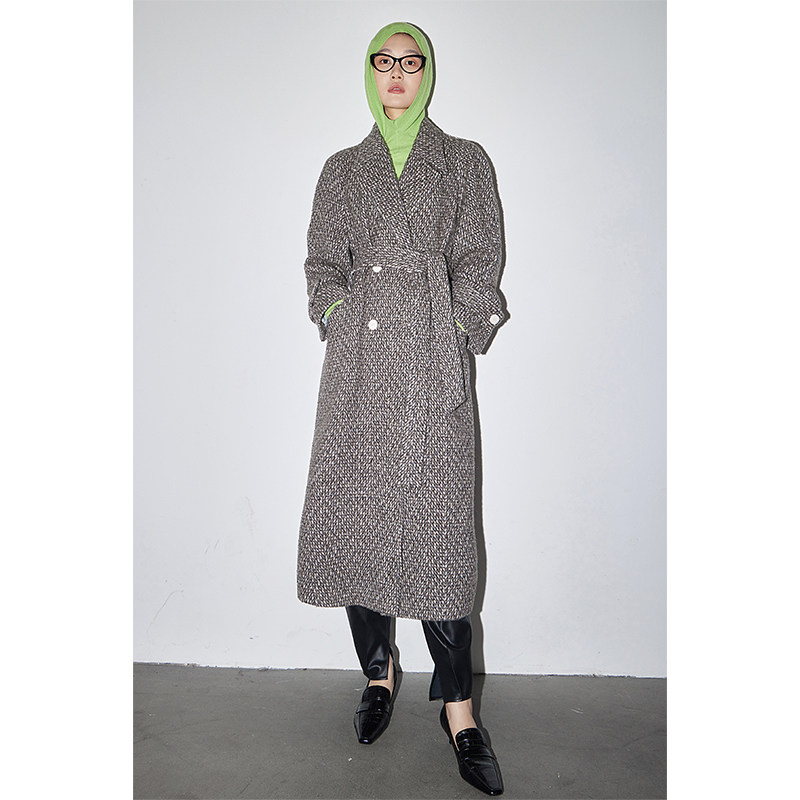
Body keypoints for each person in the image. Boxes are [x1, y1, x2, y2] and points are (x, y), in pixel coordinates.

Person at [297, 21, 507, 796]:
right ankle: (379, 674)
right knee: (361, 526)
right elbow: (322, 263)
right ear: (369, 71)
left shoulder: (464, 161)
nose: (396, 74)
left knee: (441, 543)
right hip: (359, 370)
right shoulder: (341, 169)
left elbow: (480, 259)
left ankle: (459, 710)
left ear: (427, 73)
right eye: (383, 62)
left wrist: (459, 327)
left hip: (430, 366)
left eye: (410, 62)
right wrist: (336, 313)